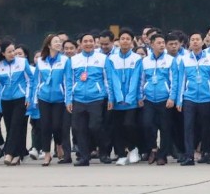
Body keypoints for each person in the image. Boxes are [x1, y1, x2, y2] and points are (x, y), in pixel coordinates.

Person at [67, 32, 112, 167]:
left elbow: (108, 79)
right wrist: (69, 99)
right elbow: (69, 81)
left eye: (91, 41)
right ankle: (84, 157)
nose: (88, 43)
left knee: (95, 126)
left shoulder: (102, 59)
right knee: (79, 129)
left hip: (96, 98)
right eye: (85, 41)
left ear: (94, 42)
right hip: (78, 98)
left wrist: (110, 97)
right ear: (80, 44)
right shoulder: (74, 60)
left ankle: (103, 153)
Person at [175, 33, 210, 166]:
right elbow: (181, 81)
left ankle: (206, 153)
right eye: (192, 40)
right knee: (188, 127)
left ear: (202, 42)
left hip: (206, 98)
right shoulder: (184, 59)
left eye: (197, 40)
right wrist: (179, 100)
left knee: (206, 128)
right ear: (189, 43)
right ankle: (189, 155)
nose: (195, 42)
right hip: (189, 98)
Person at [0, 40, 32, 166]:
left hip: (21, 98)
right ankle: (18, 154)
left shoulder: (22, 62)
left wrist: (28, 97)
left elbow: (30, 80)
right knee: (10, 127)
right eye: (9, 52)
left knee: (15, 125)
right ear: (3, 53)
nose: (13, 54)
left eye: (13, 51)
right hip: (6, 99)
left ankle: (9, 153)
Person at [34, 33, 72, 166]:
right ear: (49, 45)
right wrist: (34, 99)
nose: (59, 44)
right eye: (55, 42)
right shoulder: (41, 61)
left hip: (59, 98)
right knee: (45, 126)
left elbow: (68, 81)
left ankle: (59, 145)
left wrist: (68, 100)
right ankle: (47, 154)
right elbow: (36, 81)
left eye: (60, 42)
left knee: (56, 126)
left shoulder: (65, 60)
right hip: (43, 97)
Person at [108, 29, 144, 165]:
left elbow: (137, 79)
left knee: (129, 124)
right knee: (117, 128)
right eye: (122, 38)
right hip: (117, 101)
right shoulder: (111, 59)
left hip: (132, 100)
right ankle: (121, 155)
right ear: (119, 41)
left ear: (132, 42)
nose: (125, 41)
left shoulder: (136, 59)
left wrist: (133, 97)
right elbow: (111, 80)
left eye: (128, 39)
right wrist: (114, 98)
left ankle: (133, 148)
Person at [140, 32, 176, 166]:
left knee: (165, 128)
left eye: (163, 43)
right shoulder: (145, 61)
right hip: (149, 98)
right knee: (147, 124)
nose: (161, 45)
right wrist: (140, 96)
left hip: (164, 98)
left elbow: (174, 80)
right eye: (158, 43)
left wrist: (172, 97)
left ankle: (163, 155)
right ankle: (153, 149)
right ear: (151, 44)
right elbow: (141, 80)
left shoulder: (170, 60)